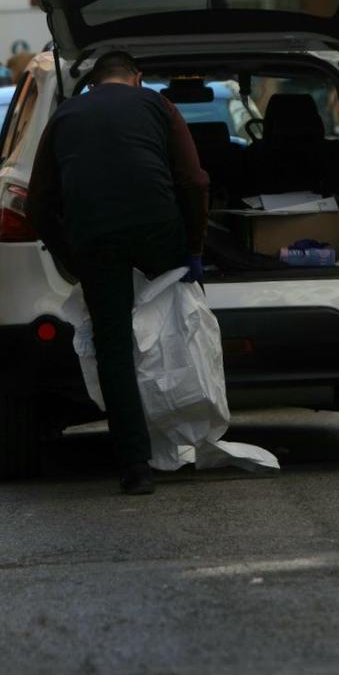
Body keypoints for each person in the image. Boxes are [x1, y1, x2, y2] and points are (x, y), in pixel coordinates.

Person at [26, 51, 209, 496]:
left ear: (91, 85)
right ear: (138, 79)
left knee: (114, 346)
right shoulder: (157, 106)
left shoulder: (64, 116)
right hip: (156, 228)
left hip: (95, 235)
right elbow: (194, 182)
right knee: (177, 322)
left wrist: (71, 256)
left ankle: (135, 465)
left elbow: (37, 204)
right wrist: (192, 250)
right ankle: (186, 438)